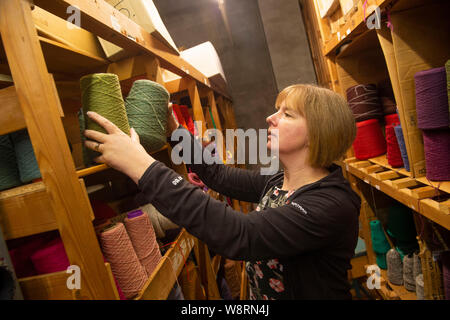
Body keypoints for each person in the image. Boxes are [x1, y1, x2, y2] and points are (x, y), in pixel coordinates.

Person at [84, 84, 361, 300]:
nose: (270, 117)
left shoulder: (331, 204)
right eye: (277, 110)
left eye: (286, 114)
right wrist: (175, 131)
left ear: (318, 132)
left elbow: (240, 233)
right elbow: (219, 175)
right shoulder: (279, 183)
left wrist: (142, 165)